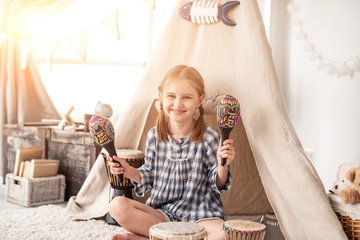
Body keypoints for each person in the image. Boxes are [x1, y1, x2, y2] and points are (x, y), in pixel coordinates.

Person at [108, 65, 235, 240]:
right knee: (116, 206)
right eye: (171, 96)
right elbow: (149, 175)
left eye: (187, 97)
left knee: (225, 234)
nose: (177, 103)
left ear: (200, 100)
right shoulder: (154, 135)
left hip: (202, 216)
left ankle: (154, 238)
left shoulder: (210, 136)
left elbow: (218, 183)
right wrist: (129, 171)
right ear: (161, 96)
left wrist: (224, 165)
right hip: (163, 215)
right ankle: (174, 236)